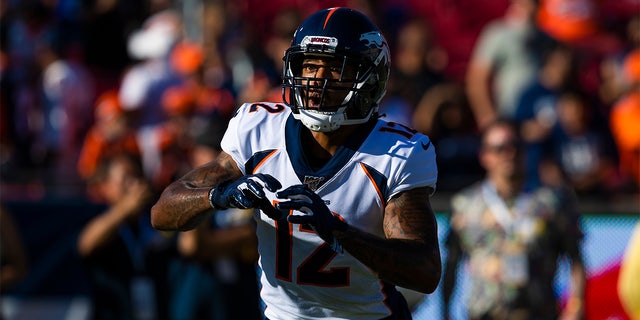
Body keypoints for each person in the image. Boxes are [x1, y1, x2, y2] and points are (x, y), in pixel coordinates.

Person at [151, 7, 442, 319]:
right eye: (309, 65)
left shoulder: (395, 153)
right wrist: (218, 196)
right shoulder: (258, 129)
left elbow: (424, 271)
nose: (317, 80)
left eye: (334, 68)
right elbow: (162, 214)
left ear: (369, 78)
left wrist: (335, 231)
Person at [443, 119, 586, 320]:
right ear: (485, 156)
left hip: (538, 313)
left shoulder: (551, 203)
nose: (509, 154)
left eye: (515, 147)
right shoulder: (466, 206)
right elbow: (451, 264)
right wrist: (446, 311)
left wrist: (576, 306)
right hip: (484, 314)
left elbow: (576, 259)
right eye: (499, 148)